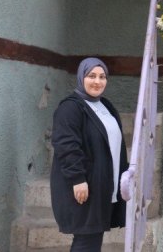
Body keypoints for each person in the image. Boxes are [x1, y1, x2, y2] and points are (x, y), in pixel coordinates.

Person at [50, 57, 129, 251]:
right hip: (84, 185)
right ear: (81, 77)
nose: (97, 81)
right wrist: (77, 179)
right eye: (91, 76)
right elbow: (66, 145)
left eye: (102, 77)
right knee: (86, 241)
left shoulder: (105, 106)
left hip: (103, 184)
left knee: (93, 239)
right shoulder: (70, 108)